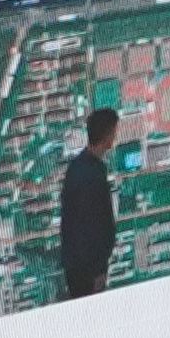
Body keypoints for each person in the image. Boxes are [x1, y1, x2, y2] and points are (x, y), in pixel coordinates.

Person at [51, 98, 120, 299]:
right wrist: (98, 269)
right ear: (107, 135)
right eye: (114, 132)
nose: (115, 137)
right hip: (87, 271)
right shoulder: (93, 174)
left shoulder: (77, 167)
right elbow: (94, 225)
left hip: (77, 266)